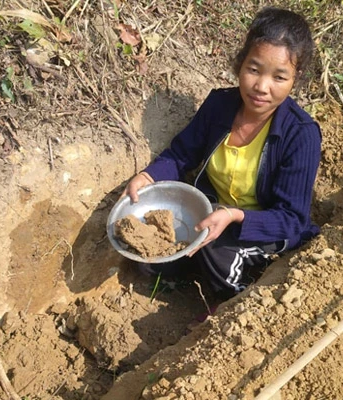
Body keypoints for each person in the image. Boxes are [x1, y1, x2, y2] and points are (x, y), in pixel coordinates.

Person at [123, 7, 321, 302]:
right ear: (241, 64)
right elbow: (180, 155)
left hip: (264, 225)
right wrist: (148, 176)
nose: (261, 87)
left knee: (217, 254)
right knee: (153, 259)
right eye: (254, 69)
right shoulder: (219, 106)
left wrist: (234, 216)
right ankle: (198, 273)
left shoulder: (300, 134)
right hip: (215, 212)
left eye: (279, 77)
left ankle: (235, 304)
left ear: (296, 78)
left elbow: (291, 218)